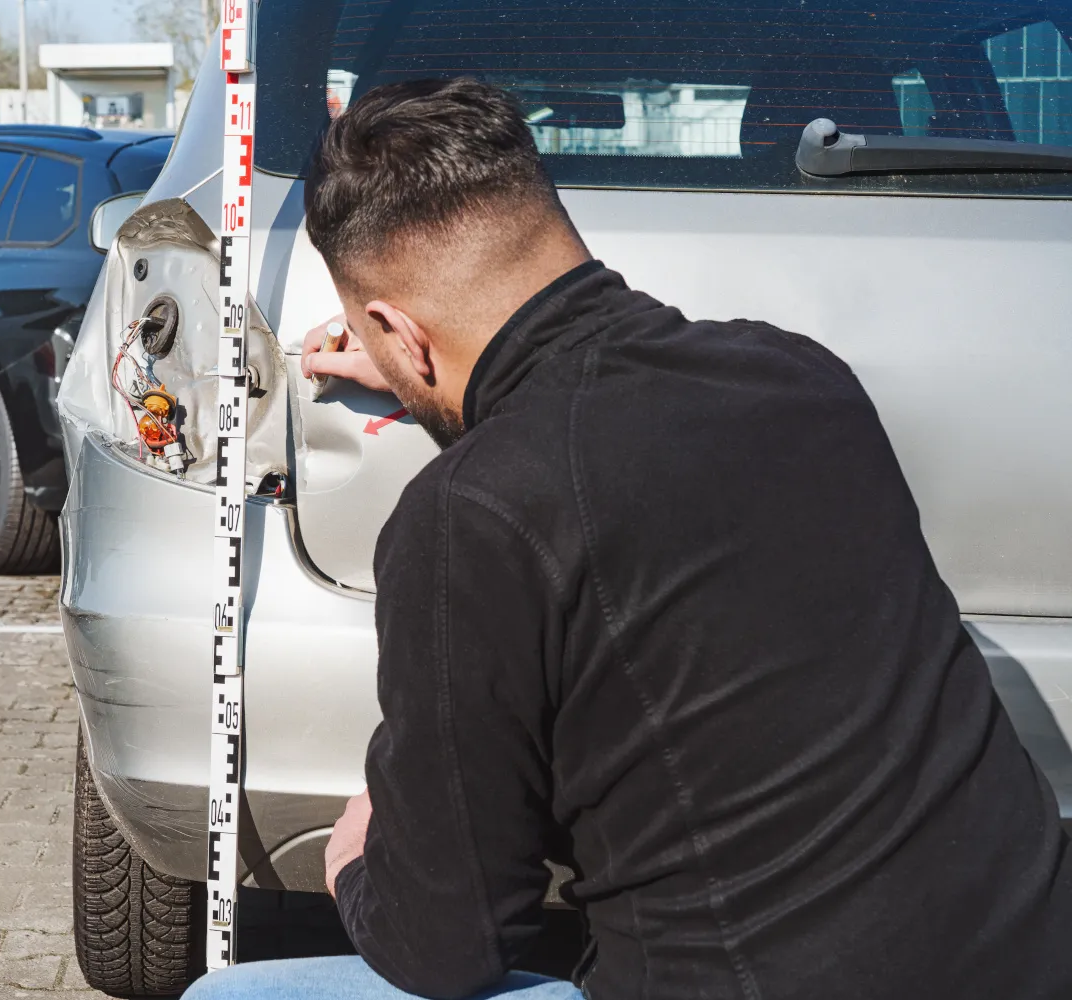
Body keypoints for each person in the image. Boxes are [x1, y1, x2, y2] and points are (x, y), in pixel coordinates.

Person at [184, 78, 1072, 1000]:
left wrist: (356, 863)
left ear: (399, 333)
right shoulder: (800, 377)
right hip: (1026, 958)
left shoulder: (470, 516)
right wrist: (433, 368)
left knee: (229, 997)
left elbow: (446, 945)